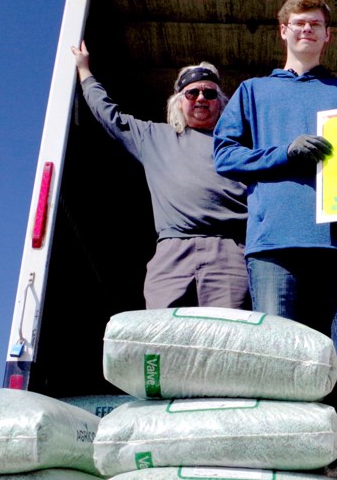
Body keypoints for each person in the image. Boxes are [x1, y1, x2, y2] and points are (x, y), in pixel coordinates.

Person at [212, 0, 337, 356]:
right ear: (283, 31)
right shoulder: (252, 91)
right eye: (299, 23)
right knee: (278, 355)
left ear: (327, 35)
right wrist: (284, 153)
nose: (307, 29)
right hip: (275, 243)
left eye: (316, 24)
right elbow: (224, 156)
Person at [71, 41, 249, 310]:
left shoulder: (238, 145)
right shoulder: (152, 136)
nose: (201, 98)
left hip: (229, 252)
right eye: (192, 93)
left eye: (209, 94)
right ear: (178, 102)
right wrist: (84, 71)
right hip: (172, 251)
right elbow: (109, 115)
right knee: (161, 337)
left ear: (221, 104)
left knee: (226, 339)